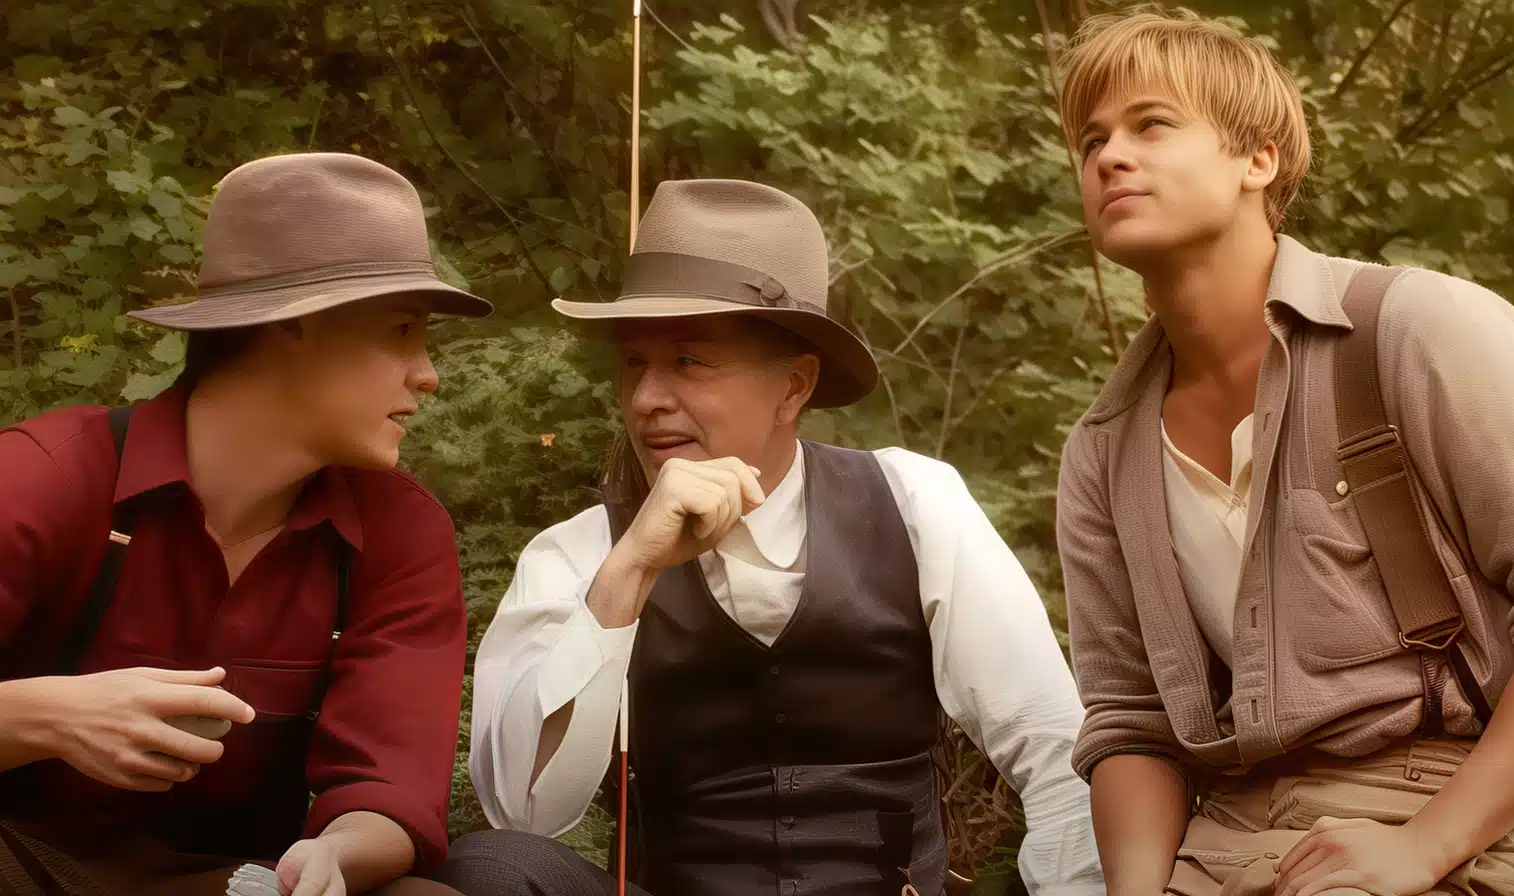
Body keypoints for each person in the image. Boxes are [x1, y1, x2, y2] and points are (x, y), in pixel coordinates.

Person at [433, 178, 1105, 895]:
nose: (646, 398)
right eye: (633, 363)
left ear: (794, 387)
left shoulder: (915, 503)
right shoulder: (579, 552)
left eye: (688, 361)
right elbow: (524, 812)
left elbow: (1055, 749)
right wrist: (627, 573)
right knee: (492, 868)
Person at [1052, 8, 1514, 896]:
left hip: (1434, 822)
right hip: (1219, 845)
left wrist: (1426, 846)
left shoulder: (1415, 330)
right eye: (1091, 140)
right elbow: (1130, 722)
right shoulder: (1103, 449)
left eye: (1151, 125)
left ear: (1257, 159)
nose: (1110, 157)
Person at [0, 152, 491, 896]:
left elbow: (390, 787)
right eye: (401, 330)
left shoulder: (398, 531)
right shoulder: (46, 478)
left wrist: (335, 855)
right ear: (294, 323)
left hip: (236, 883)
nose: (427, 373)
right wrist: (47, 716)